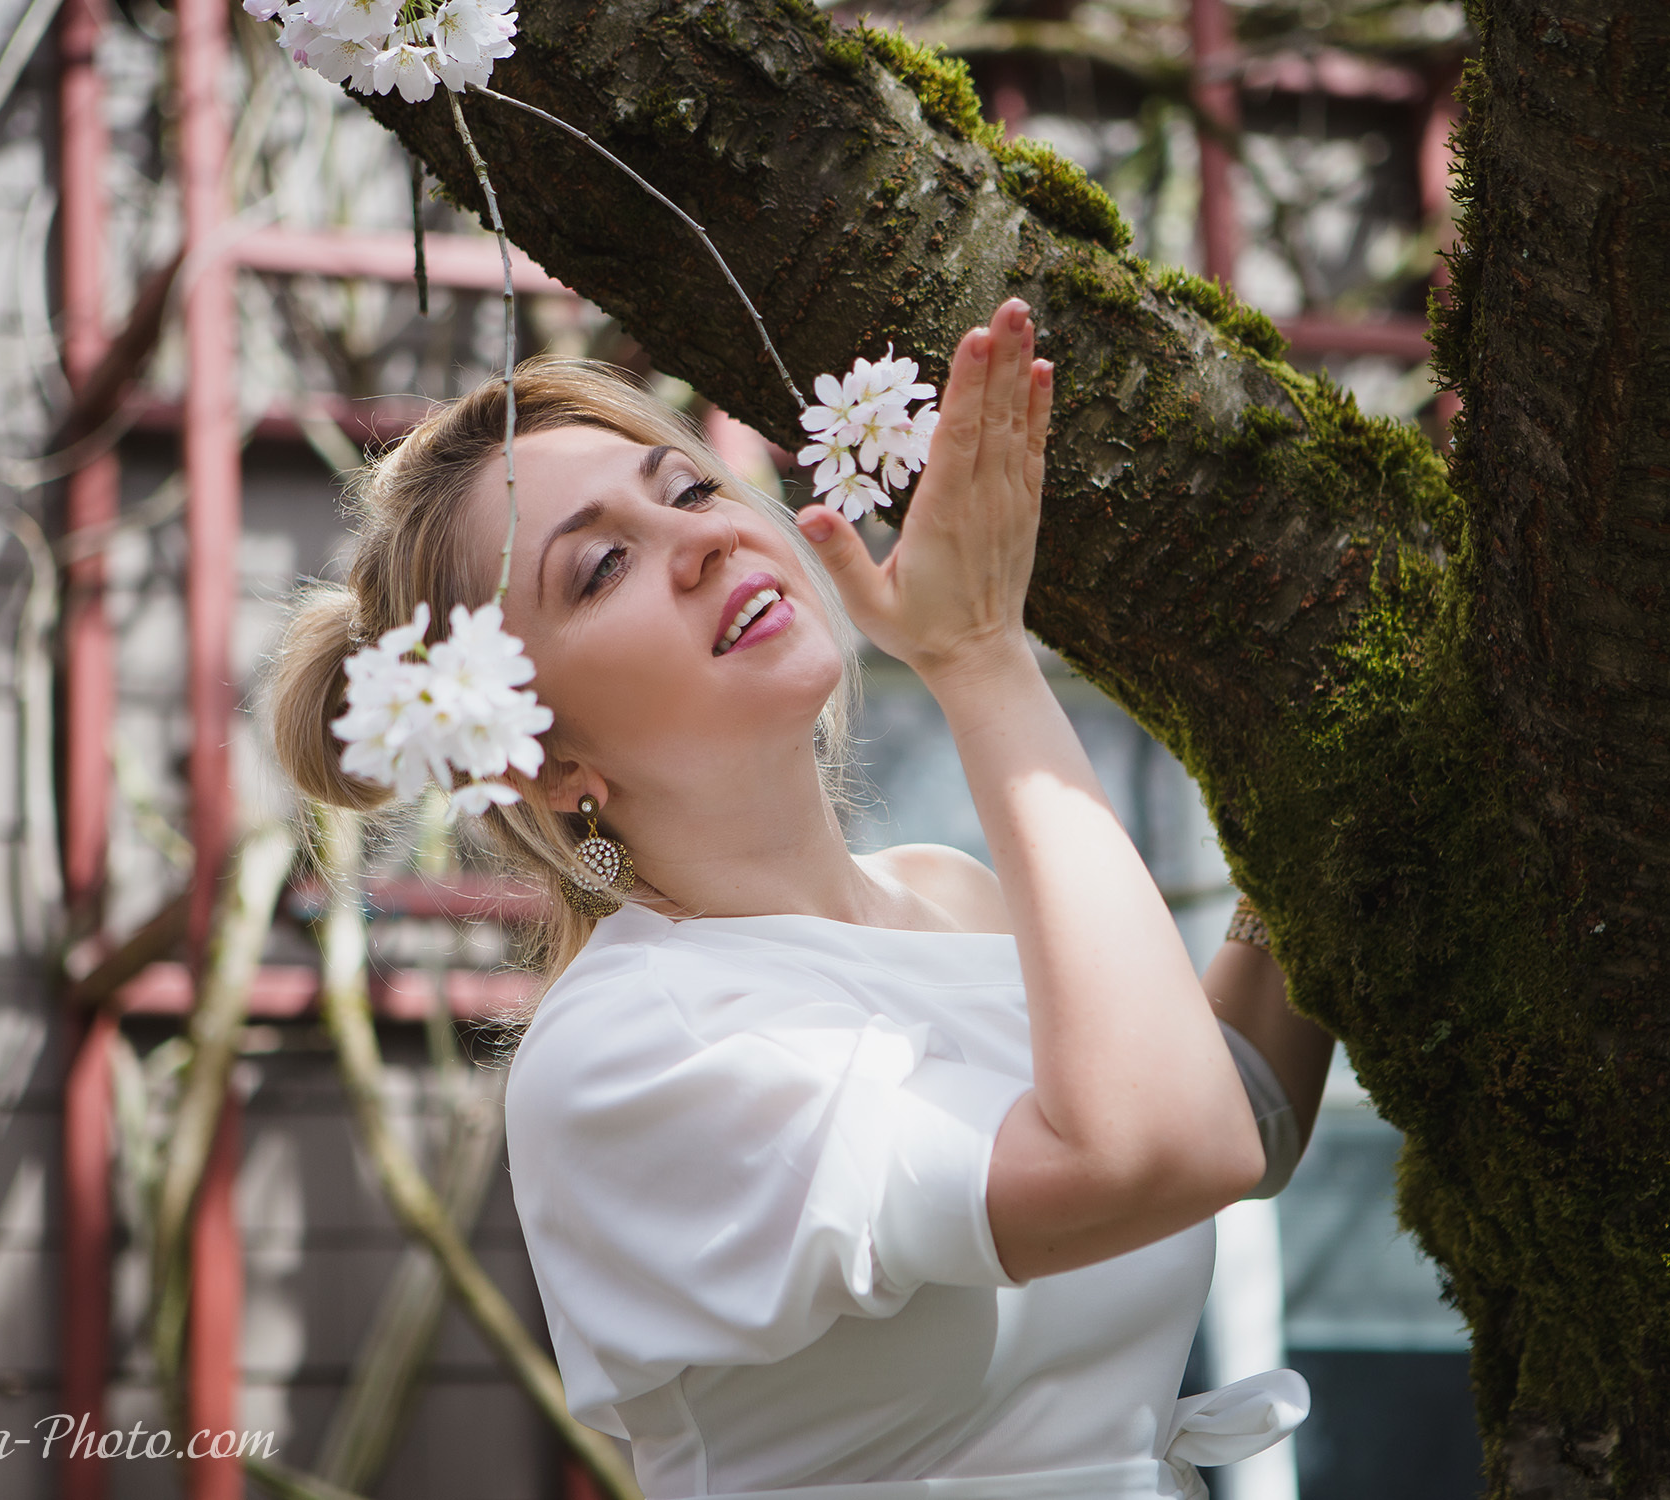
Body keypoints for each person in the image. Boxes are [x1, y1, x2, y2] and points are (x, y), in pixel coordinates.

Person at [273, 298, 1336, 1499]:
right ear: (547, 761)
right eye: (604, 564)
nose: (705, 540)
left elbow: (1236, 1117)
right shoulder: (637, 1044)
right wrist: (980, 654)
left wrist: (1336, 806)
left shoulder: (949, 895)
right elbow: (1158, 1153)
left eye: (685, 490)